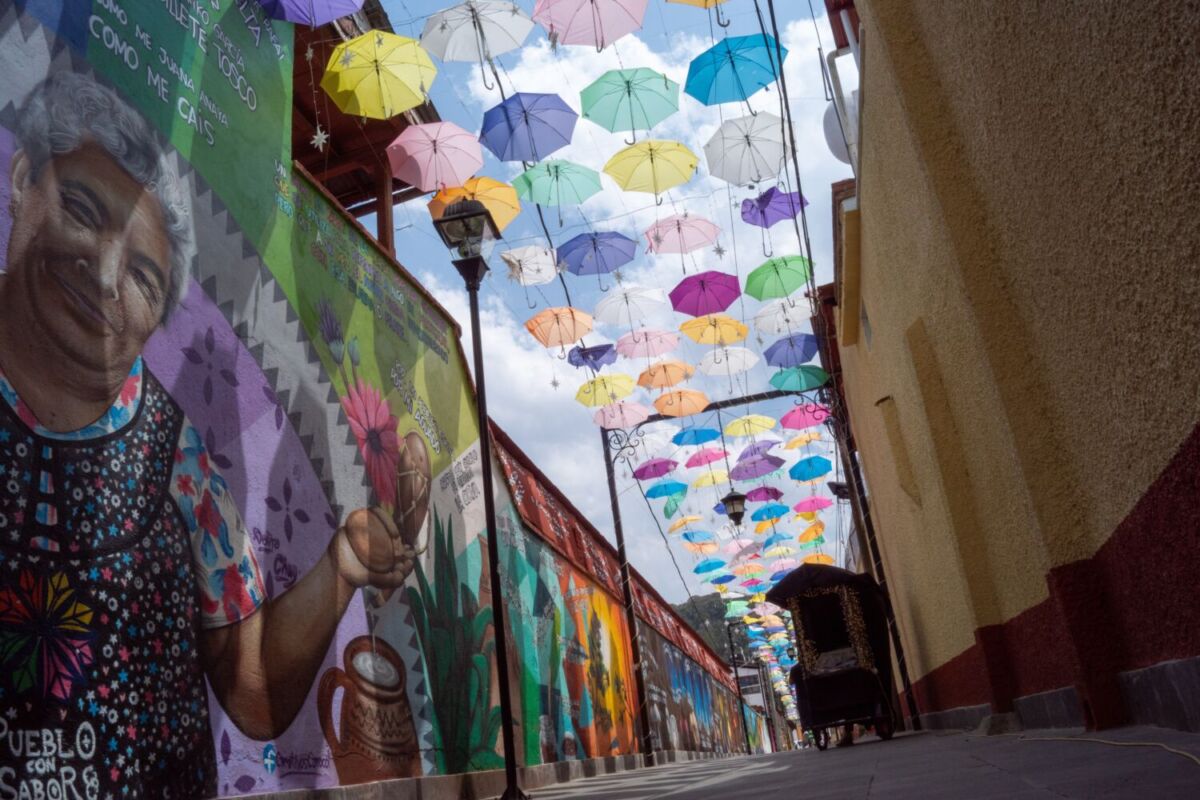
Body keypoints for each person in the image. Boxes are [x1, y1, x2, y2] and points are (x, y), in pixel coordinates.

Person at [0, 71, 413, 799]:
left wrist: (338, 569)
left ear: (158, 320)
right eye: (79, 208)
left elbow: (250, 687)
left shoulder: (179, 457)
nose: (102, 277)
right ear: (24, 177)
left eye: (142, 279)